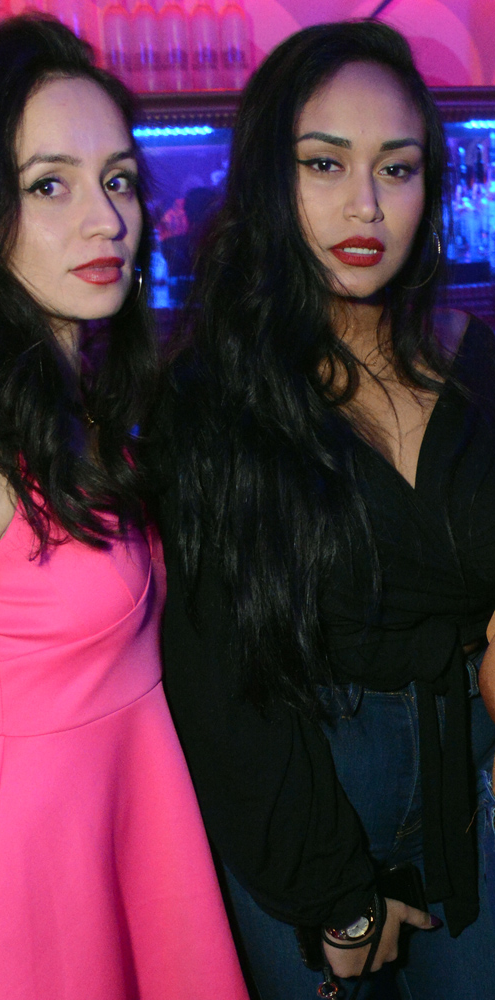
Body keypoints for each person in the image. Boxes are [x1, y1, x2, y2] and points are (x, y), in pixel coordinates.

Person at [0, 16, 249, 1000]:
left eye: (118, 180)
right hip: (16, 883)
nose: (106, 220)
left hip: (124, 838)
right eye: (48, 185)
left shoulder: (86, 407)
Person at [152, 20, 495, 1000]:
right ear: (270, 178)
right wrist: (333, 896)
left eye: (397, 168)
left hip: (468, 797)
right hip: (300, 806)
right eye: (323, 163)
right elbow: (221, 677)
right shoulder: (213, 400)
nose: (365, 204)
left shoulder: (476, 362)